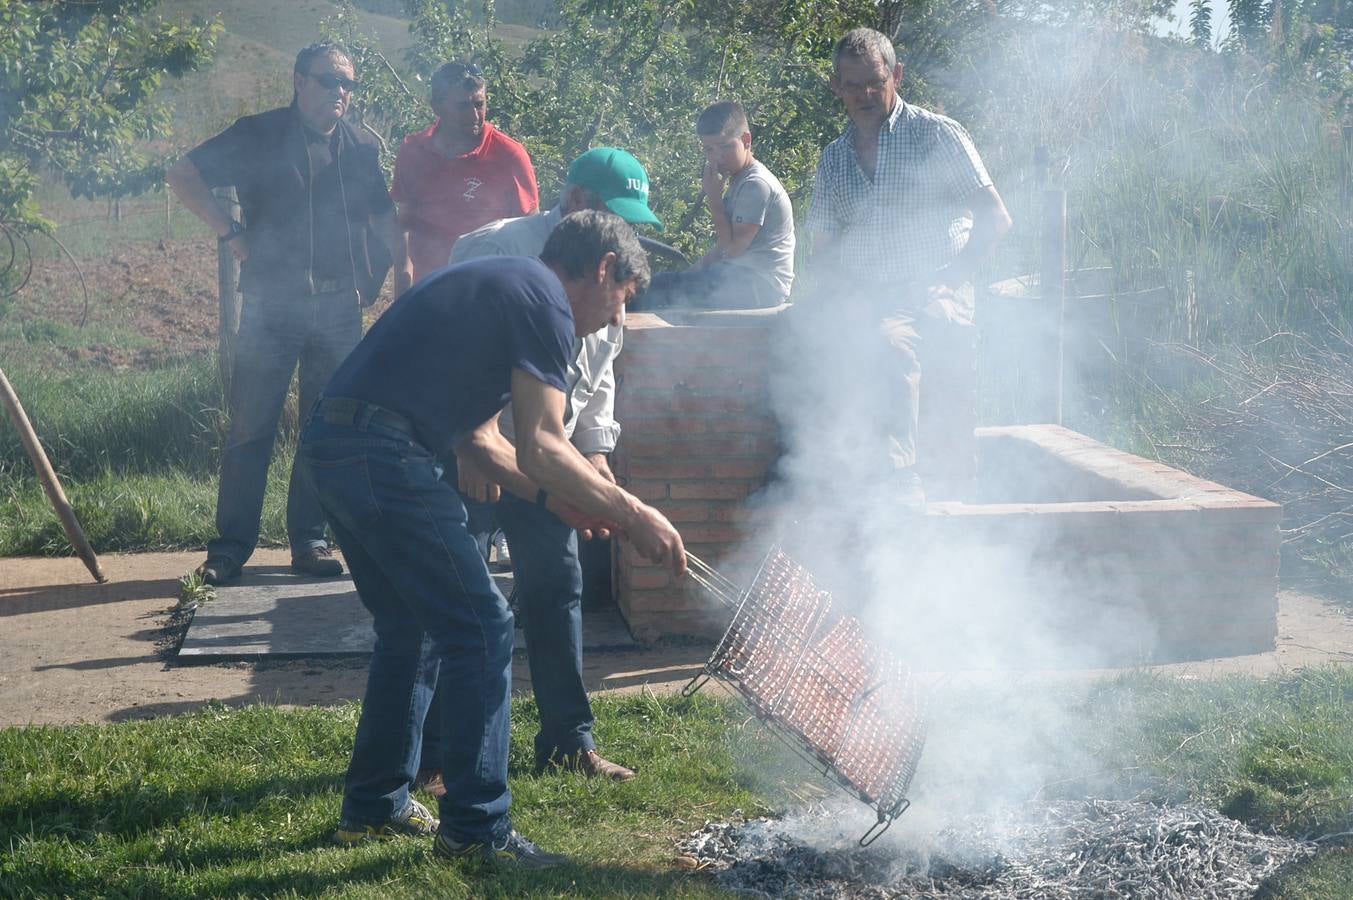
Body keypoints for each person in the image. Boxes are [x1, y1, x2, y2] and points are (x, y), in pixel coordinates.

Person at [299, 210, 686, 867]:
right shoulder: (545, 303)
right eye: (621, 300)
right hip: (383, 452)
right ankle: (478, 832)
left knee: (409, 626)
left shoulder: (503, 284)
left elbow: (481, 442)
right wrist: (634, 511)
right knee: (481, 627)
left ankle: (375, 807)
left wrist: (553, 500)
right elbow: (541, 443)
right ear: (601, 270)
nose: (616, 319)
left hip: (335, 445)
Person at [428, 147, 663, 785]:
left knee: (557, 584)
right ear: (579, 198)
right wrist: (467, 441)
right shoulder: (495, 247)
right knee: (462, 600)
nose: (631, 229)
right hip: (482, 448)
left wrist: (597, 451)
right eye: (620, 212)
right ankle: (432, 756)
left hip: (550, 455)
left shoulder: (609, 264)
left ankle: (568, 741)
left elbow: (600, 369)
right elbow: (450, 346)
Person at [166, 42, 410, 586]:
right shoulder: (257, 134)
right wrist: (229, 232)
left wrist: (403, 283)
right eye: (330, 81)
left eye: (348, 84)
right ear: (299, 80)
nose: (340, 93)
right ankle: (229, 548)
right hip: (271, 307)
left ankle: (311, 541)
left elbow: (384, 222)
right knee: (252, 427)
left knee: (324, 431)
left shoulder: (358, 149)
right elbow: (182, 173)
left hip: (339, 309)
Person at [802, 27, 1012, 505]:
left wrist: (952, 280)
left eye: (875, 81)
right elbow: (824, 255)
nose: (865, 94)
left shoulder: (935, 134)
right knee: (835, 344)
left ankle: (916, 487)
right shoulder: (834, 160)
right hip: (870, 296)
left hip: (939, 288)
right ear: (837, 87)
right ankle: (850, 489)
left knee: (896, 341)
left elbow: (996, 219)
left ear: (895, 75)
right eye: (852, 85)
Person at [636, 101, 794, 311]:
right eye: (709, 149)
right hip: (742, 278)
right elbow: (722, 248)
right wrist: (690, 274)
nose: (717, 157)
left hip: (762, 285)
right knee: (659, 285)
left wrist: (713, 199)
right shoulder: (740, 179)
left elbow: (732, 250)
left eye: (725, 146)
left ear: (746, 140)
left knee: (659, 291)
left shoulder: (755, 185)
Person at [392, 60, 539, 281]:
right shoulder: (413, 150)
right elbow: (404, 223)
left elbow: (531, 234)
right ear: (437, 107)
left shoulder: (509, 156)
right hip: (428, 290)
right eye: (462, 106)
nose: (474, 116)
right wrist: (403, 283)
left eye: (479, 104)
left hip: (487, 290)